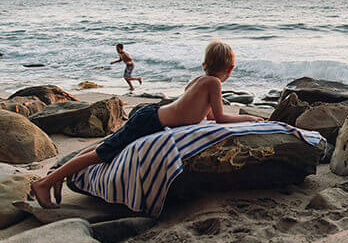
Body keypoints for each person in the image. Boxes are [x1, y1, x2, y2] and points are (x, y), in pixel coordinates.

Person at [31, 40, 263, 208]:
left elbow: (210, 117)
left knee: (105, 146)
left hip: (152, 116)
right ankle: (45, 183)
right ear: (230, 69)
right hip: (151, 121)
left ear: (204, 63)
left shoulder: (200, 80)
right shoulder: (213, 83)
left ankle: (56, 175)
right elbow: (220, 118)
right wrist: (249, 118)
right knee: (102, 153)